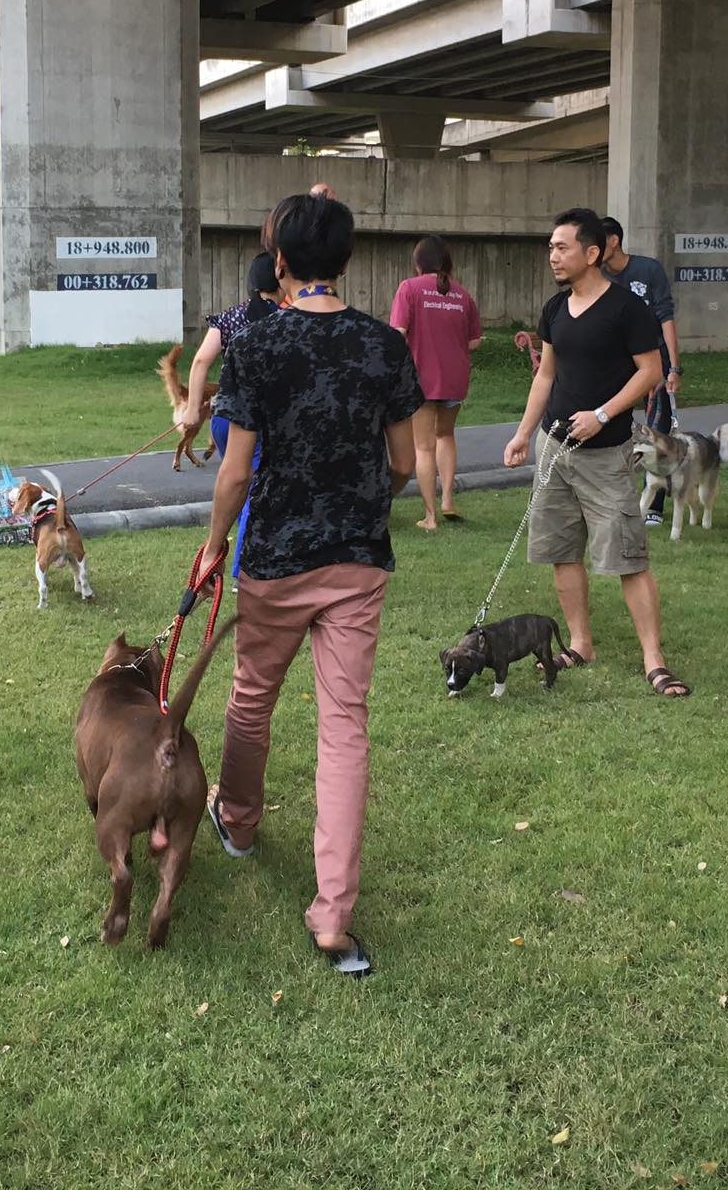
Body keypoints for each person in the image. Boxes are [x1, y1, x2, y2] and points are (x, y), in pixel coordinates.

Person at [201, 193, 421, 978]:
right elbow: (404, 464)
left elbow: (234, 473)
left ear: (281, 262)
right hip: (358, 560)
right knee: (345, 727)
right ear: (349, 260)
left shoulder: (256, 343)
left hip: (275, 557)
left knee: (251, 697)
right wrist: (363, 504)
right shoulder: (385, 346)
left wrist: (212, 546)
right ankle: (333, 917)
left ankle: (239, 821)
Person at [503, 207, 684, 697]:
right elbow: (546, 375)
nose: (553, 257)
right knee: (562, 552)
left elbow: (649, 372)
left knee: (628, 555)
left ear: (592, 252)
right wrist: (523, 434)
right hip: (554, 448)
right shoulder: (556, 309)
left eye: (561, 248)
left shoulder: (628, 309)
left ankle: (654, 659)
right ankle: (580, 644)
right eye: (550, 248)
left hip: (607, 453)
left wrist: (602, 415)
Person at [182, 251, 282, 572]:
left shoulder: (230, 317)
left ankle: (244, 551)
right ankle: (243, 569)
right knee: (251, 490)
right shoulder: (283, 319)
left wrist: (192, 409)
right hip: (256, 422)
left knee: (239, 487)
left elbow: (200, 361)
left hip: (223, 419)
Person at [389, 235, 482, 530]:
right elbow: (475, 341)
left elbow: (397, 332)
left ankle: (430, 517)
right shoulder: (462, 294)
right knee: (446, 436)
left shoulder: (409, 289)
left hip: (421, 378)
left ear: (418, 263)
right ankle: (448, 501)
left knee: (424, 446)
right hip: (455, 377)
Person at [600, 216, 680, 525]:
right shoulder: (598, 277)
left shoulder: (648, 270)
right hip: (615, 364)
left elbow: (666, 317)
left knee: (656, 433)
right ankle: (616, 501)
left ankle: (655, 505)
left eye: (598, 242)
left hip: (653, 362)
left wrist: (673, 367)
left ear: (614, 241)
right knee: (613, 427)